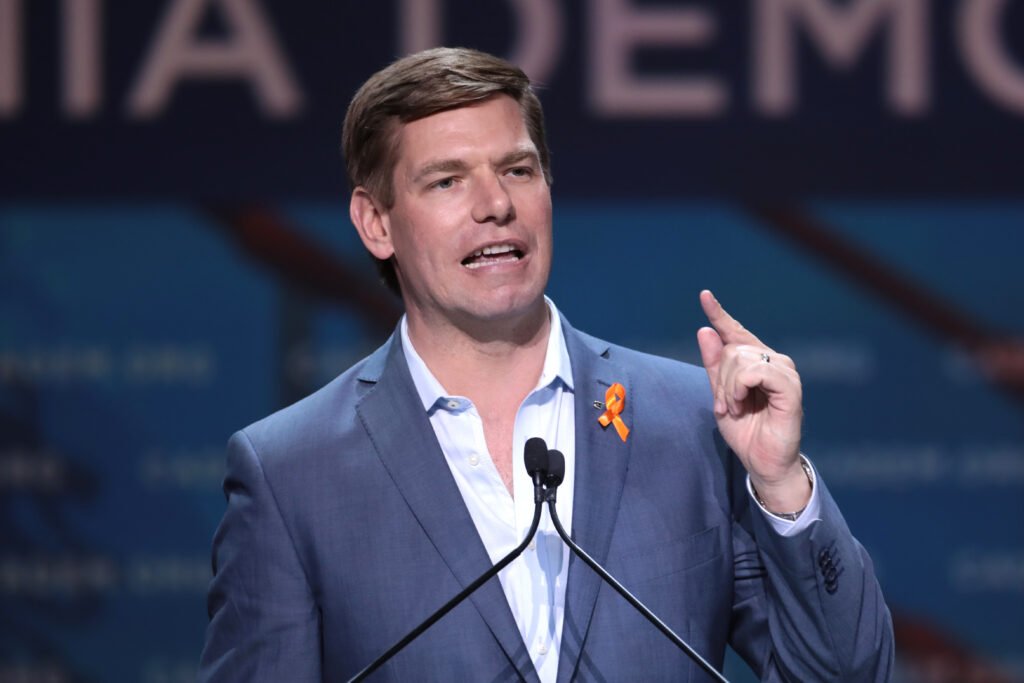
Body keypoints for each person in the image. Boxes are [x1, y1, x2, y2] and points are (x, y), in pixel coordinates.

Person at [198, 47, 893, 682]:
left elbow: (846, 675)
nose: (496, 205)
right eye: (446, 182)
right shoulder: (290, 475)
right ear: (375, 223)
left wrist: (781, 488)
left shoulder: (691, 422)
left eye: (518, 170)